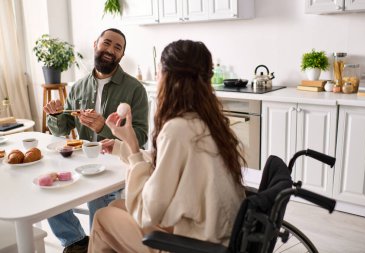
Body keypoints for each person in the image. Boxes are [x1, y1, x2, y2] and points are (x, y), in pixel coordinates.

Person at [88, 40, 247, 252]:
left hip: (196, 245)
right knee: (117, 206)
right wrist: (124, 146)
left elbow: (147, 211)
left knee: (102, 217)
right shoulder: (207, 119)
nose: (157, 77)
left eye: (159, 71)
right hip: (217, 231)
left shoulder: (177, 128)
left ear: (170, 78)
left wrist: (134, 151)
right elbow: (168, 166)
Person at [43, 28, 148, 253]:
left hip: (117, 167)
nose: (110, 50)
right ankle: (75, 242)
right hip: (82, 163)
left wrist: (103, 128)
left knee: (98, 202)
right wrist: (53, 116)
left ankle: (98, 245)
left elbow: (140, 138)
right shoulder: (78, 87)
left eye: (117, 47)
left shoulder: (135, 89)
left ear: (121, 56)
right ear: (95, 45)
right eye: (106, 43)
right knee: (48, 193)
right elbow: (63, 127)